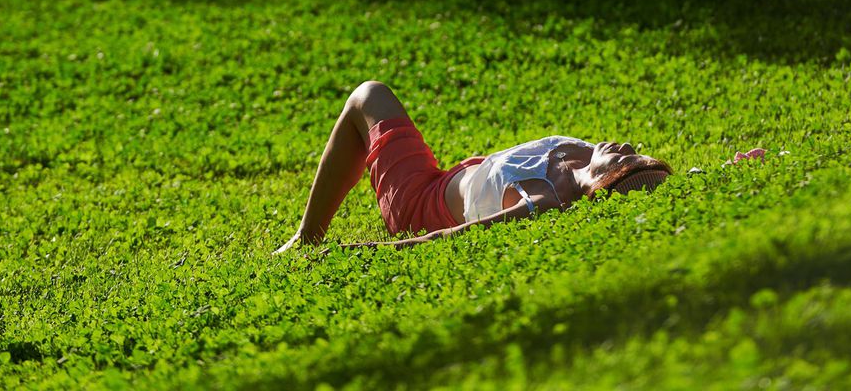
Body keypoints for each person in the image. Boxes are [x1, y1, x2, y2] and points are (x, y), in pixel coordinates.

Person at [275, 81, 673, 251]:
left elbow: (453, 237)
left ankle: (306, 236)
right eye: (633, 150)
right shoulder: (587, 159)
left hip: (420, 201)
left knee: (369, 95)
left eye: (622, 158)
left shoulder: (545, 197)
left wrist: (367, 250)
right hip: (452, 175)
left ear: (602, 181)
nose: (622, 145)